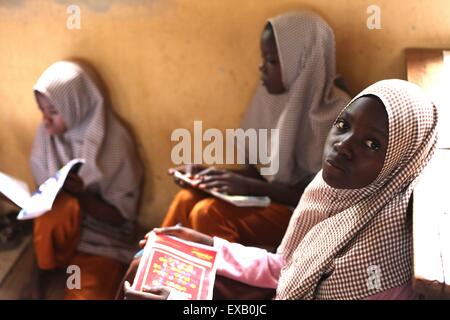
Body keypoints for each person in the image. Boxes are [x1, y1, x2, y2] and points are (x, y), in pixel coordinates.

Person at [123, 79, 437, 300]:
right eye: (343, 126)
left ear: (399, 160)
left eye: (372, 144)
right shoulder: (340, 193)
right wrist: (207, 245)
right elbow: (287, 267)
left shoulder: (377, 261)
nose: (343, 146)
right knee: (151, 259)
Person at [162, 11, 351, 248]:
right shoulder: (270, 99)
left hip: (307, 215)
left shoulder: (338, 115)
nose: (262, 68)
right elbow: (262, 173)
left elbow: (321, 199)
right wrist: (210, 176)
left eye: (272, 61)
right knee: (186, 198)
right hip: (268, 198)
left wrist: (249, 187)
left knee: (208, 213)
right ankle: (150, 272)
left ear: (301, 60)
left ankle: (226, 284)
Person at [26, 61, 143, 300]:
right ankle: (43, 271)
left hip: (103, 235)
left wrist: (82, 196)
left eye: (54, 112)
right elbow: (42, 192)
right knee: (54, 212)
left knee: (89, 293)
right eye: (42, 111)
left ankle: (73, 269)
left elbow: (121, 216)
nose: (46, 120)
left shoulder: (114, 143)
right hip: (64, 229)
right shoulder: (46, 135)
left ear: (77, 106)